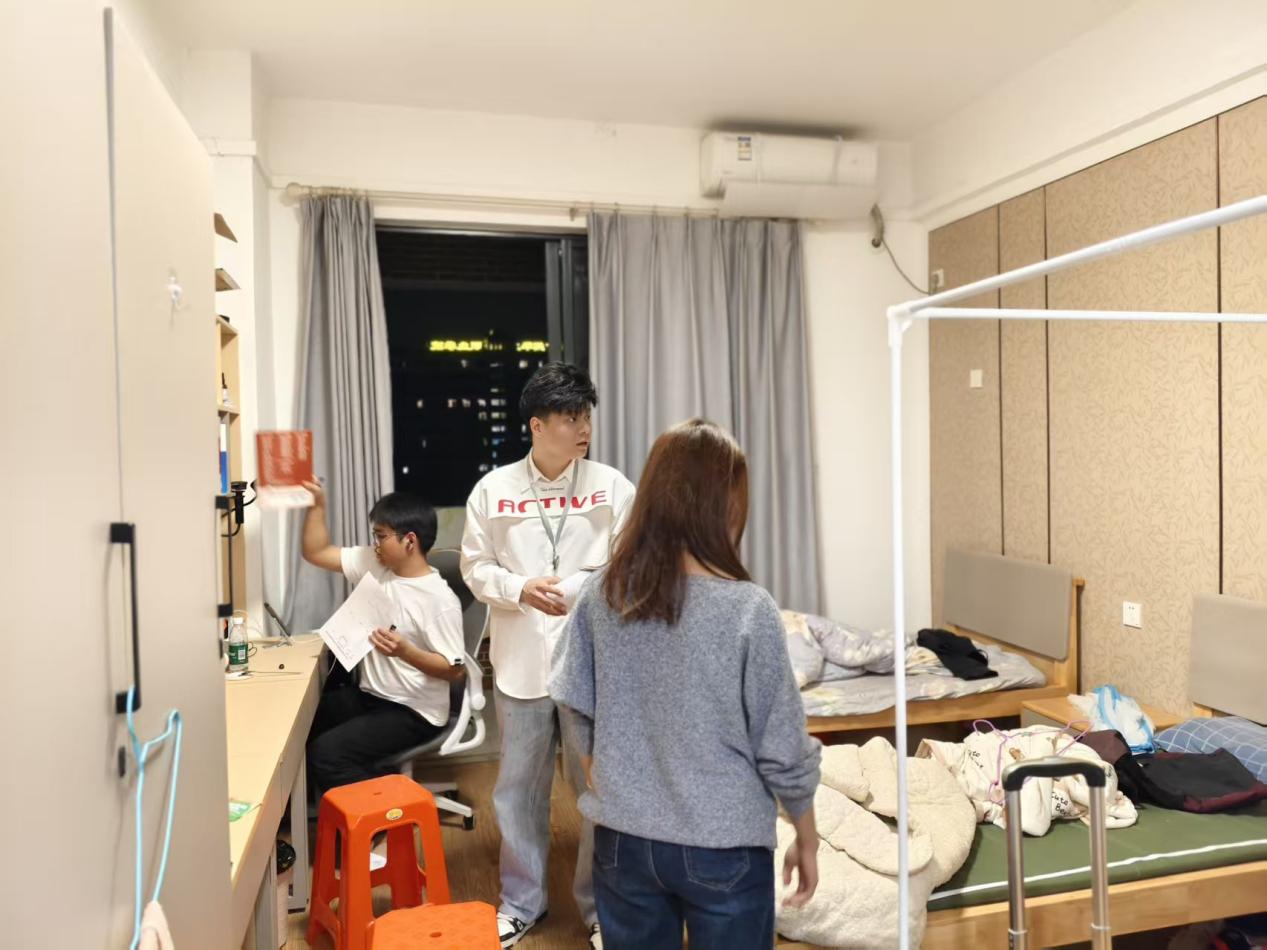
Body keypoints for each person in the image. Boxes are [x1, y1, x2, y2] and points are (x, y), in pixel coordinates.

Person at [550, 419, 821, 950]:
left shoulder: (602, 593)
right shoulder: (749, 609)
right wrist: (806, 835)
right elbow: (782, 746)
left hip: (623, 839)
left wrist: (593, 764)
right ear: (726, 506)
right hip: (723, 845)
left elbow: (571, 693)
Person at [461, 362, 635, 949]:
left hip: (593, 664)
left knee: (599, 792)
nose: (584, 427)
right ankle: (520, 903)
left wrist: (577, 585)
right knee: (518, 791)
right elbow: (474, 567)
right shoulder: (494, 490)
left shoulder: (613, 487)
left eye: (586, 416)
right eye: (570, 417)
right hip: (521, 663)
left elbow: (629, 561)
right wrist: (519, 588)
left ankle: (601, 909)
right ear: (537, 425)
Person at [301, 482, 466, 794]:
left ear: (409, 540)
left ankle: (393, 809)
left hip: (414, 710)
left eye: (381, 536)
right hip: (373, 696)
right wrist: (316, 505)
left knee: (327, 754)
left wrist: (405, 652)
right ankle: (315, 807)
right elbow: (316, 552)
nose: (375, 544)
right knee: (302, 723)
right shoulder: (377, 565)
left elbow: (454, 670)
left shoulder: (439, 600)